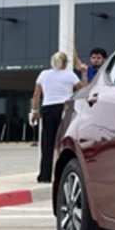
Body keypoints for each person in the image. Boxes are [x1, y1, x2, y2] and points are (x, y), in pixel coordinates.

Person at [30, 51, 84, 183]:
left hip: (47, 108)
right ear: (65, 63)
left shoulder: (43, 74)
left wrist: (34, 111)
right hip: (64, 109)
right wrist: (83, 73)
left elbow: (36, 95)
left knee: (47, 143)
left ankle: (45, 175)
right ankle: (63, 173)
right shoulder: (70, 75)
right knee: (64, 142)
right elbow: (82, 89)